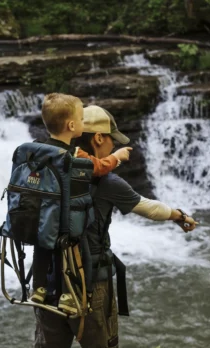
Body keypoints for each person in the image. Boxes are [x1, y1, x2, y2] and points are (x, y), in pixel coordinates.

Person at [32, 104, 197, 348]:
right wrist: (180, 216)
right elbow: (149, 208)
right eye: (111, 142)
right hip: (92, 287)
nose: (113, 148)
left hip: (47, 285)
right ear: (100, 139)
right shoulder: (105, 180)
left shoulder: (43, 170)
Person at [30, 93, 132, 314]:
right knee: (77, 251)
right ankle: (70, 293)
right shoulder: (75, 155)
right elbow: (98, 167)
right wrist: (117, 157)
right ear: (72, 125)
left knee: (43, 251)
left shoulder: (38, 149)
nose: (84, 125)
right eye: (82, 121)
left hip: (41, 217)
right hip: (65, 220)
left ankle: (37, 288)